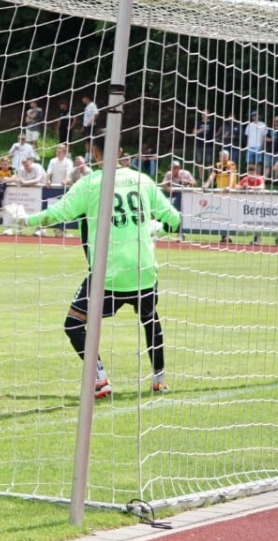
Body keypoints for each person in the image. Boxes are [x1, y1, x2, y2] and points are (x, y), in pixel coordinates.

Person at [24, 150, 181, 395]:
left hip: (108, 275)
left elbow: (57, 214)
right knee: (150, 319)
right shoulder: (142, 179)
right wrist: (158, 230)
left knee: (73, 324)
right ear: (121, 151)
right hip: (144, 270)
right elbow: (174, 219)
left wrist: (26, 220)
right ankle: (159, 380)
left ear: (95, 151)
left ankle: (100, 379)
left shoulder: (89, 184)